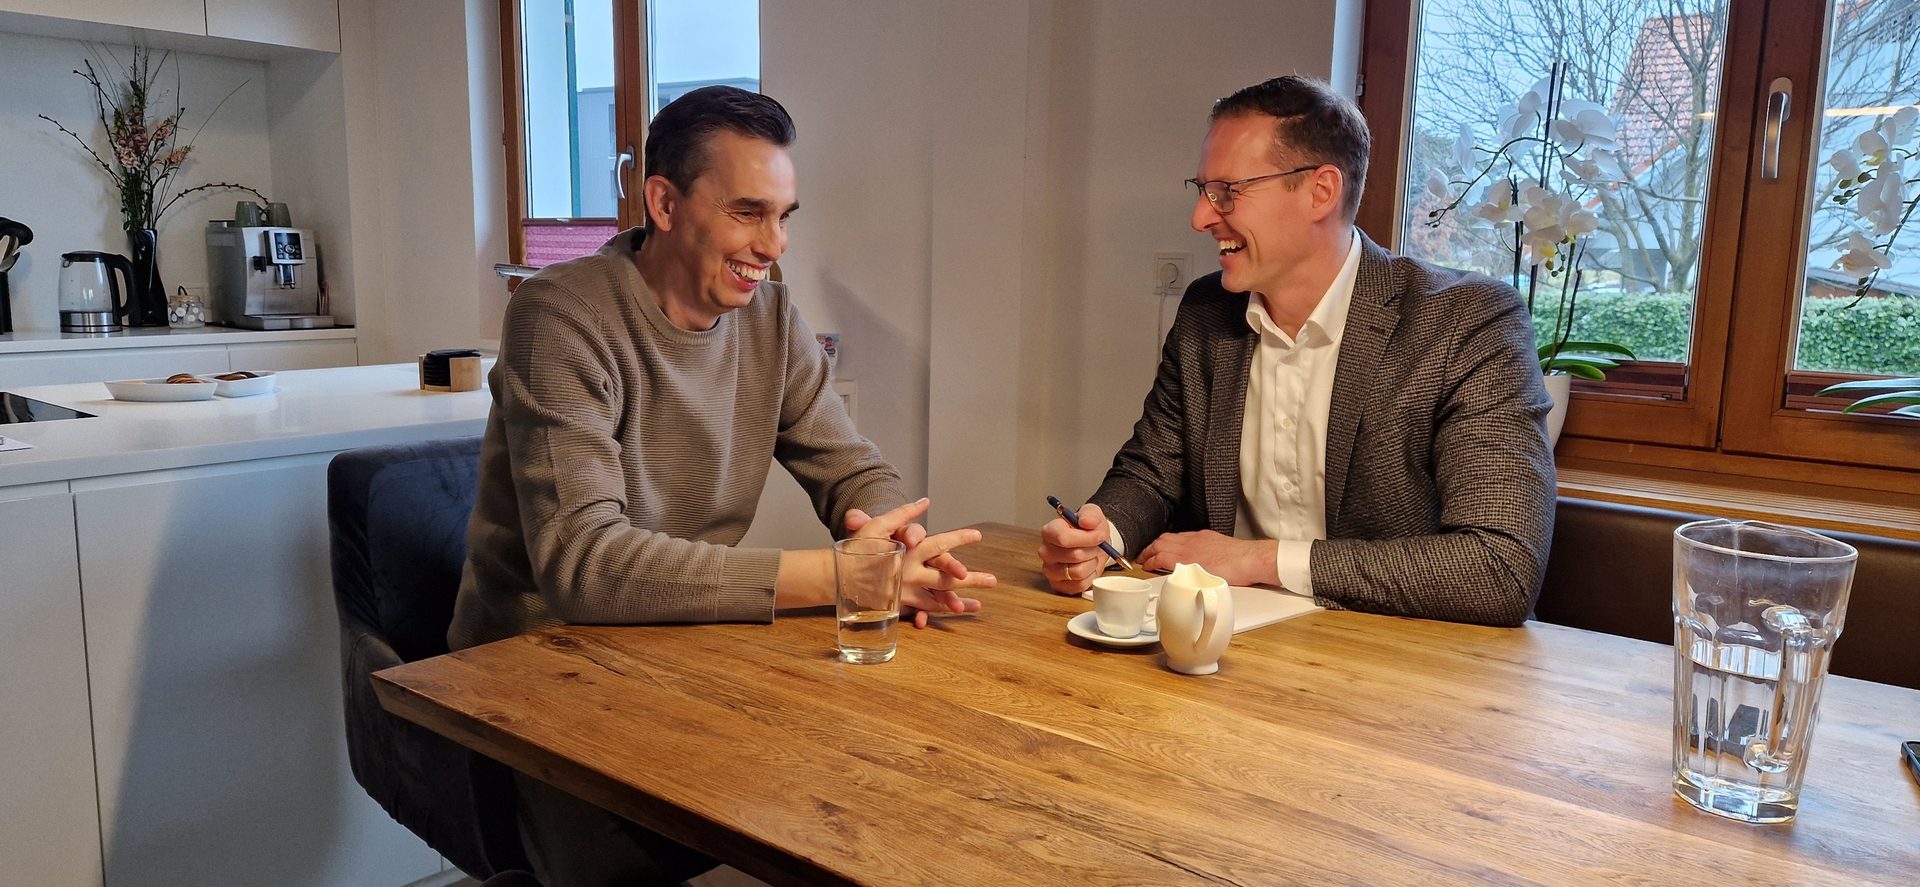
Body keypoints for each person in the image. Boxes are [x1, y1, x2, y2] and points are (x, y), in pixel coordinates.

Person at [448, 85, 995, 886]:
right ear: (663, 202)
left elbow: (851, 467)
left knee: (878, 802)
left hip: (682, 651)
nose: (773, 245)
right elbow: (585, 566)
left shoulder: (770, 318)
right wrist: (838, 576)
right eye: (748, 212)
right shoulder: (559, 316)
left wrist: (895, 537)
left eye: (784, 215)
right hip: (537, 677)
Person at [1038, 75, 1554, 627]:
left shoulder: (1468, 320)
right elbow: (1152, 471)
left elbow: (1500, 567)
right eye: (1203, 189)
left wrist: (1258, 560)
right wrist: (1100, 534)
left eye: (1228, 192)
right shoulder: (1206, 311)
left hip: (1391, 669)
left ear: (1321, 191)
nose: (1201, 218)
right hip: (1214, 655)